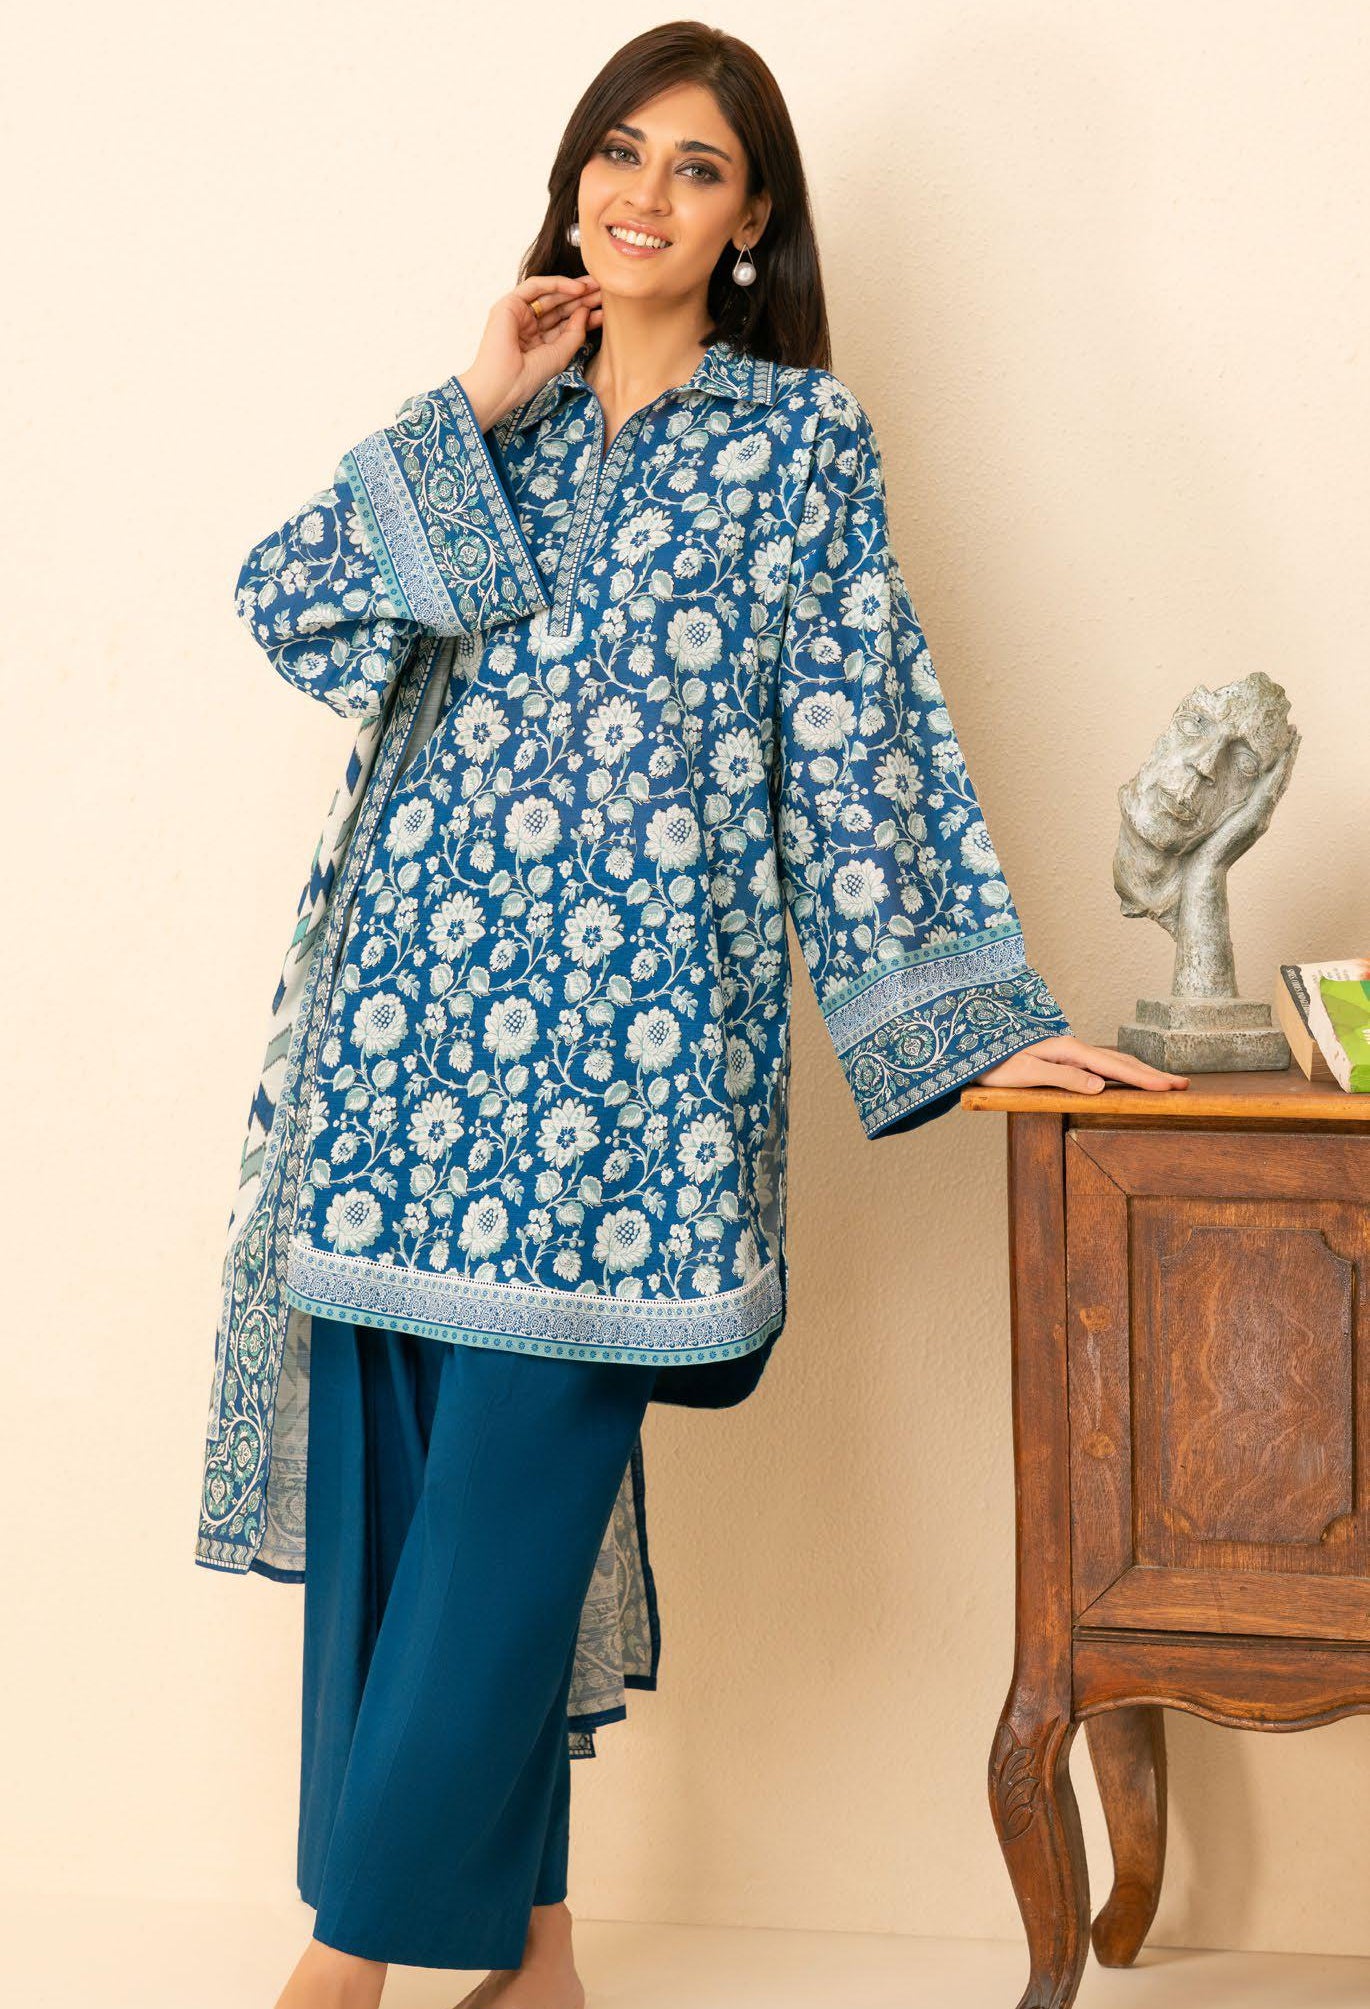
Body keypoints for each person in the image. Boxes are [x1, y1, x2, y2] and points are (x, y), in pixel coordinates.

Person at [204, 24, 1188, 2009]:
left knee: (496, 1539)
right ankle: (537, 1960)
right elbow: (289, 610)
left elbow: (855, 730)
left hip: (630, 1089)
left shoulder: (791, 446)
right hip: (410, 1051)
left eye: (699, 169)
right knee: (412, 1543)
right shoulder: (498, 435)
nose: (644, 194)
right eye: (618, 154)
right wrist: (473, 398)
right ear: (576, 181)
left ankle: (338, 1972)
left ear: (751, 226)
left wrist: (970, 1015)